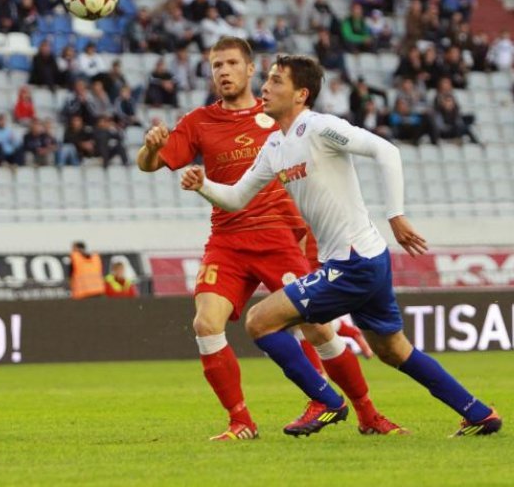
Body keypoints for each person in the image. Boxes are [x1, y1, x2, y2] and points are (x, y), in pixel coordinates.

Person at [182, 54, 502, 438]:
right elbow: (235, 198)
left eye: (276, 81)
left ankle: (328, 402)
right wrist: (203, 185)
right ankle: (479, 413)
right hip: (363, 260)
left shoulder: (319, 128)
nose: (265, 88)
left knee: (260, 321)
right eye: (266, 80)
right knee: (393, 349)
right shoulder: (274, 147)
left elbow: (387, 151)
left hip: (354, 262)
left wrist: (396, 215)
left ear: (301, 94)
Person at [138, 37, 401, 441]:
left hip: (279, 238)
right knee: (206, 323)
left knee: (319, 331)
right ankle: (240, 421)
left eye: (230, 63)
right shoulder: (199, 122)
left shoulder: (279, 118)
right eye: (215, 65)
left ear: (249, 70)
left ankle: (367, 413)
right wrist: (151, 149)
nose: (222, 71)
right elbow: (150, 165)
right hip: (227, 241)